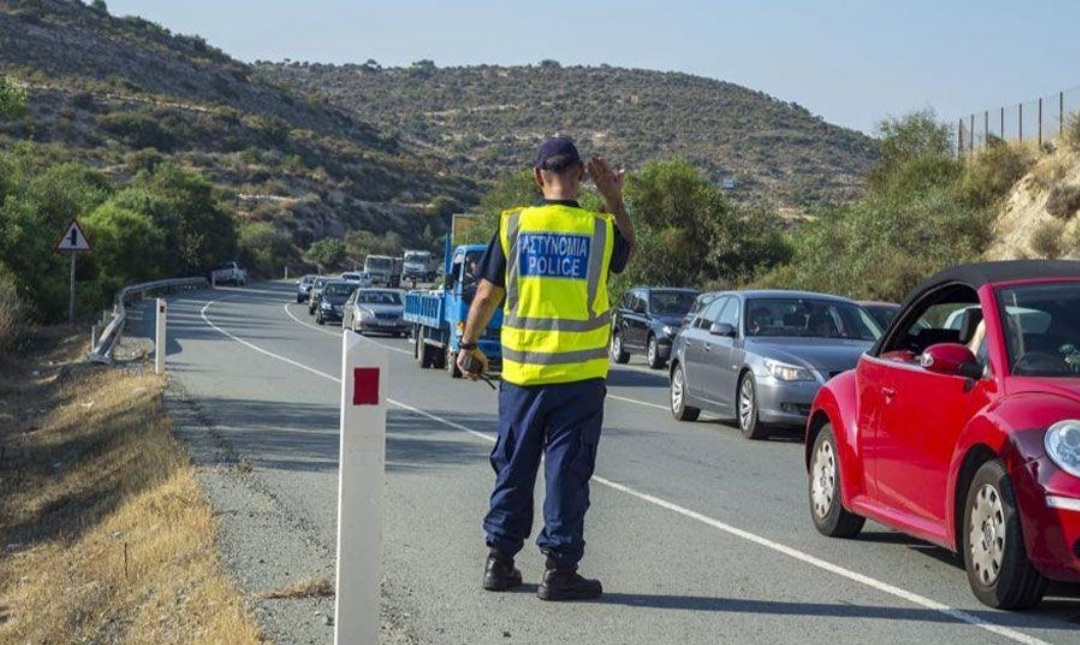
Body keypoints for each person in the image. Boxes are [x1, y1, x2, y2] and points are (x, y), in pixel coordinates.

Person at [456, 136, 634, 601]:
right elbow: (627, 252)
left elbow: (486, 294)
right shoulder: (599, 229)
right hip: (578, 382)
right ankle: (560, 570)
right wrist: (614, 198)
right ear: (580, 176)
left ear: (539, 177)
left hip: (522, 379)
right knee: (566, 473)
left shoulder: (514, 225)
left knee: (513, 465)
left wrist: (468, 345)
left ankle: (499, 562)